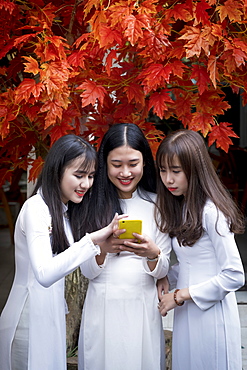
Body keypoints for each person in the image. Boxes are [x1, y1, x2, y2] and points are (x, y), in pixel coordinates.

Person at [0, 134, 127, 370]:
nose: (86, 184)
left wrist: (101, 248)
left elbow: (85, 269)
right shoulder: (36, 209)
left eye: (90, 177)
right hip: (28, 319)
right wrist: (91, 241)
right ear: (57, 170)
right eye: (79, 175)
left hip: (51, 316)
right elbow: (45, 274)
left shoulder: (66, 212)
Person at [78, 123, 171, 370]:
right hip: (103, 305)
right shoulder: (91, 205)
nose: (125, 172)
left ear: (145, 163)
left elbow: (164, 268)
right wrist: (104, 249)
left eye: (133, 164)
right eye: (116, 165)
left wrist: (152, 254)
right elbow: (87, 271)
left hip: (142, 305)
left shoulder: (158, 204)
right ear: (104, 164)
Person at [155, 129, 245, 370]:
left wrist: (180, 295)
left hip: (211, 313)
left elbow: (234, 274)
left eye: (176, 171)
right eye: (163, 171)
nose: (168, 180)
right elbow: (191, 262)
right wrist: (164, 277)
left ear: (195, 170)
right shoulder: (183, 206)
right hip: (187, 314)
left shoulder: (211, 212)